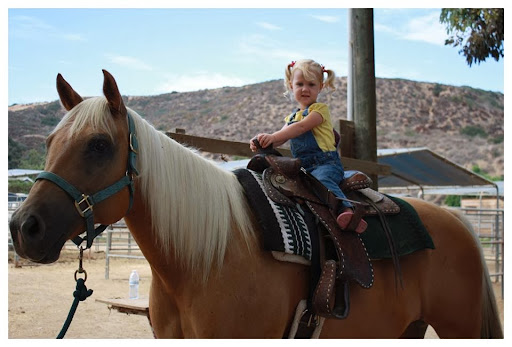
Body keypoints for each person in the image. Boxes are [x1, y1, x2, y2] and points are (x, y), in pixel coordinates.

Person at [250, 59, 367, 233]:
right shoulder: (291, 117)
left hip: (326, 164)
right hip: (303, 167)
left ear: (320, 87)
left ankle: (347, 210)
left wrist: (274, 136)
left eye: (311, 84)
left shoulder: (319, 111)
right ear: (291, 86)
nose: (305, 89)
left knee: (323, 181)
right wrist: (263, 140)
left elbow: (301, 127)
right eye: (300, 84)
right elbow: (282, 138)